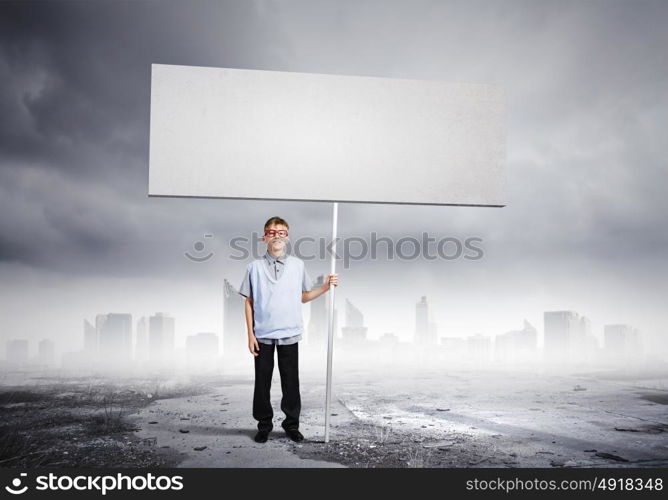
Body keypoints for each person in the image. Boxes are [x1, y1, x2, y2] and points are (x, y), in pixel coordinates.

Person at [238, 216, 338, 443]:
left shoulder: (297, 265)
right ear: (264, 237)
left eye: (281, 232)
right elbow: (249, 302)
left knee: (291, 382)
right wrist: (250, 334)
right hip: (262, 335)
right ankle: (264, 425)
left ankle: (291, 425)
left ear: (287, 237)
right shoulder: (253, 267)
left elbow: (303, 297)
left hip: (290, 333)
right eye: (272, 232)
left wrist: (326, 287)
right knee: (262, 383)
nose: (277, 236)